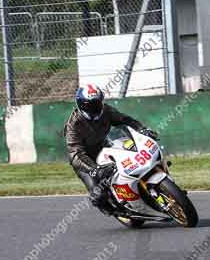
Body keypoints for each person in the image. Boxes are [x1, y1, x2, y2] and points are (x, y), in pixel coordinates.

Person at [64, 84, 159, 215]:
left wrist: (141, 129)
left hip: (105, 147)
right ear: (81, 105)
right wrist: (93, 169)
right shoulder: (73, 125)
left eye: (97, 104)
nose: (95, 108)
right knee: (98, 194)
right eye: (90, 106)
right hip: (85, 160)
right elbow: (75, 153)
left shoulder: (106, 111)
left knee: (133, 160)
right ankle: (114, 210)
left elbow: (125, 120)